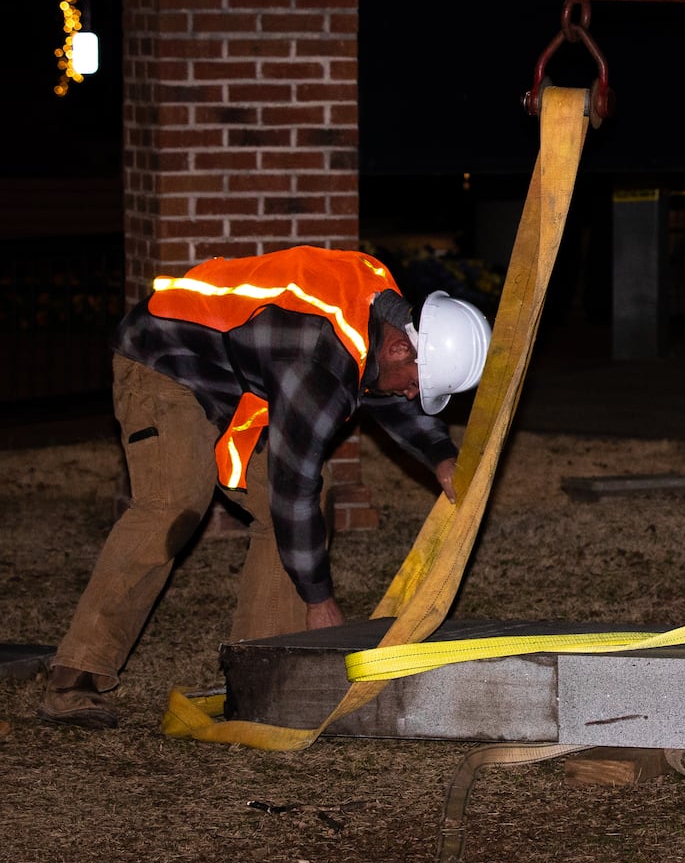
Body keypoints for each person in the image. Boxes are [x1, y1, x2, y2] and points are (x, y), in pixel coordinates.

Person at [39, 246, 492, 729]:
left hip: (232, 378)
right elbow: (291, 483)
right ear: (403, 347)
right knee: (174, 503)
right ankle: (75, 676)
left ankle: (258, 675)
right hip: (162, 361)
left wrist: (441, 455)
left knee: (304, 505)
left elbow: (378, 384)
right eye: (415, 385)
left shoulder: (384, 314)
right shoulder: (318, 357)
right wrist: (319, 602)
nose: (409, 395)